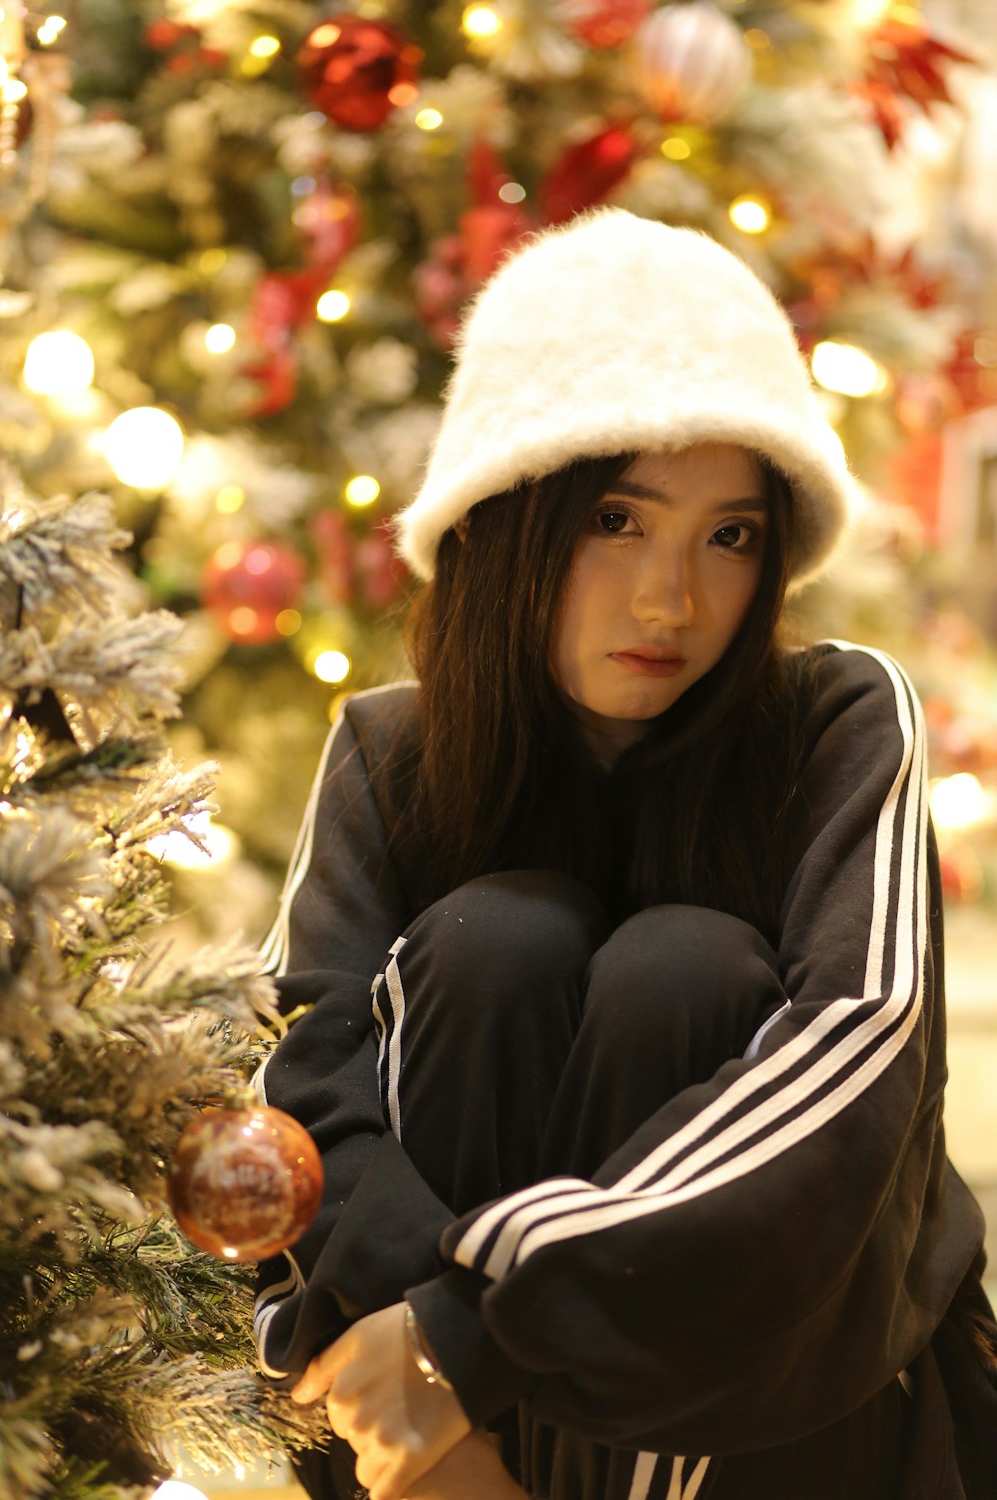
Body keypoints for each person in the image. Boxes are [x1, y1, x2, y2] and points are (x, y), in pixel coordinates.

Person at [251, 209, 997, 1500]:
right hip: (442, 1449)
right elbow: (300, 1087)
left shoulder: (837, 719)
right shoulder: (392, 751)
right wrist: (429, 1418)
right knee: (499, 939)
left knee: (686, 968)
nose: (671, 602)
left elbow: (858, 1058)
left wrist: (473, 1330)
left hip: (784, 1428)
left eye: (729, 535)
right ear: (507, 516)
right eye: (615, 518)